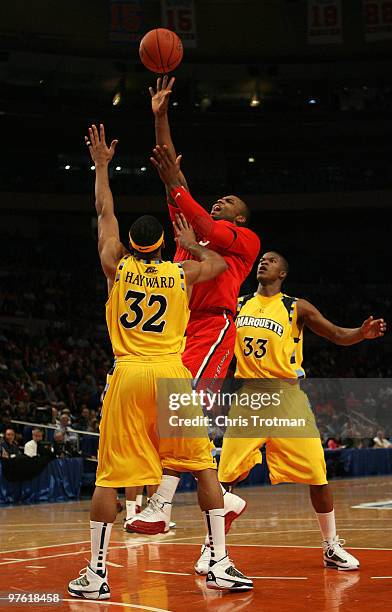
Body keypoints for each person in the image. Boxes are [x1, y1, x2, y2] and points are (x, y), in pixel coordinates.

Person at [67, 124, 253, 600]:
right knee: (204, 469)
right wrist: (191, 245)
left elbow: (103, 209)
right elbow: (216, 266)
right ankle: (221, 562)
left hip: (129, 373)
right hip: (172, 371)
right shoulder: (182, 273)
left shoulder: (116, 263)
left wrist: (103, 165)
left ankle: (96, 573)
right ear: (162, 247)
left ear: (130, 243)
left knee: (109, 478)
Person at [196, 251, 386, 574]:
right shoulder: (239, 303)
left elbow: (335, 334)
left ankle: (331, 546)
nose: (264, 262)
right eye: (262, 260)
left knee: (318, 474)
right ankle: (212, 549)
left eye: (271, 260)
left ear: (283, 273)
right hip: (250, 398)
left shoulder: (295, 306)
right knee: (224, 478)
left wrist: (360, 334)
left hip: (287, 398)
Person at [132, 76, 260, 532]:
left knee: (184, 411)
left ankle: (162, 506)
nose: (219, 201)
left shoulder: (242, 241)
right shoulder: (192, 232)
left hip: (215, 327)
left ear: (239, 217)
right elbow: (174, 178)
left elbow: (205, 226)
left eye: (228, 201)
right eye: (217, 200)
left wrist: (180, 193)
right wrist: (161, 117)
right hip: (179, 331)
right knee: (173, 414)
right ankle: (222, 499)